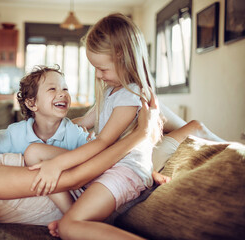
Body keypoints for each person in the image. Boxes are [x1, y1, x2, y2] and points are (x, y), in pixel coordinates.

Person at [0, 75, 156, 237]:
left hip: (104, 180)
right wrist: (139, 135)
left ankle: (189, 130)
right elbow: (74, 179)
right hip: (98, 200)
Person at [26, 13, 163, 240]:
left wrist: (57, 164)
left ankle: (73, 221)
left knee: (70, 228)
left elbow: (103, 141)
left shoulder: (132, 94)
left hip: (125, 170)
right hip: (106, 164)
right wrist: (46, 124)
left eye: (103, 69)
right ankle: (74, 214)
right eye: (95, 69)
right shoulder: (111, 91)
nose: (98, 76)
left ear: (123, 57)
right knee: (34, 152)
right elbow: (83, 122)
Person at [0, 65, 93, 214]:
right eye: (52, 89)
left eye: (65, 89)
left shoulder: (74, 133)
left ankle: (73, 215)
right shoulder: (14, 134)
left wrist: (91, 139)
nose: (62, 94)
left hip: (78, 190)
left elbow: (95, 156)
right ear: (32, 103)